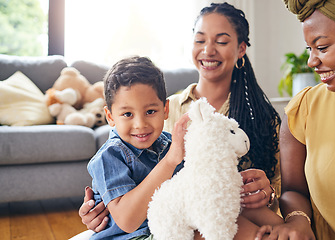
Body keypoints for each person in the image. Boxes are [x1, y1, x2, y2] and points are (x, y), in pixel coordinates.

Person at [79, 1, 282, 235]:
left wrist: (268, 194)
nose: (208, 50)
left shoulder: (262, 117)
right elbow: (123, 207)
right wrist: (95, 207)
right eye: (200, 40)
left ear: (241, 49)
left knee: (231, 206)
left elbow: (278, 190)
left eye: (222, 41)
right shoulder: (170, 120)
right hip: (165, 226)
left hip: (203, 212)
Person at [255, 0, 335, 239]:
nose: (312, 61)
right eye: (309, 49)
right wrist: (297, 221)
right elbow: (294, 190)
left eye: (321, 47)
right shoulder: (304, 109)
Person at [86, 56, 189, 239]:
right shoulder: (110, 156)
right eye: (127, 114)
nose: (140, 124)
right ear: (110, 117)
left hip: (167, 227)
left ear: (165, 109)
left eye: (150, 111)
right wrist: (170, 161)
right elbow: (127, 221)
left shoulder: (171, 144)